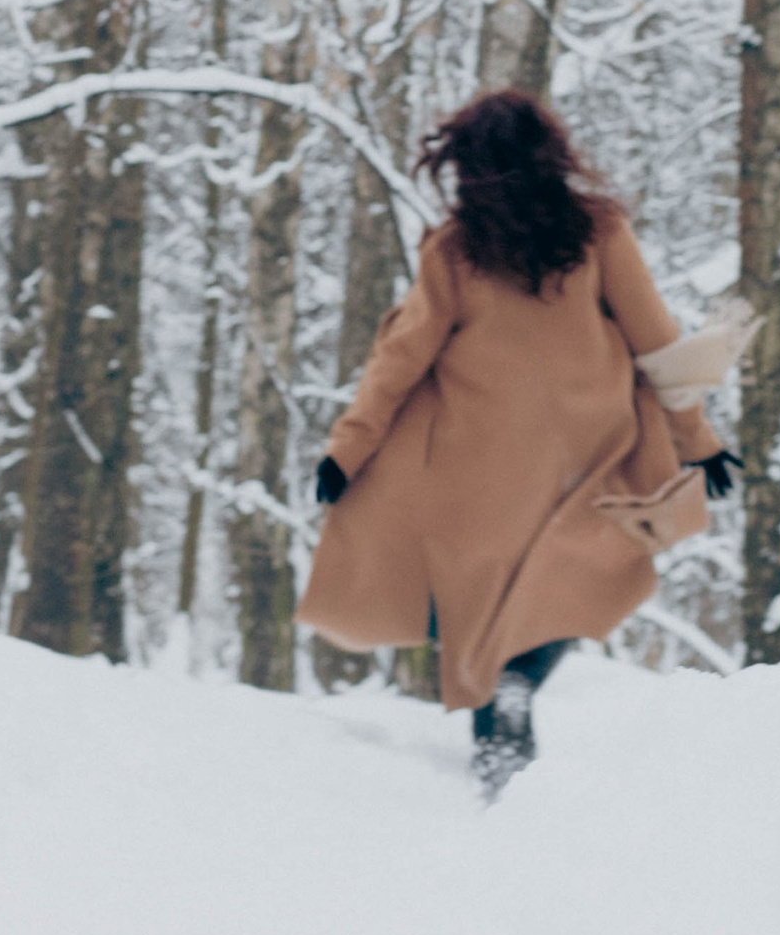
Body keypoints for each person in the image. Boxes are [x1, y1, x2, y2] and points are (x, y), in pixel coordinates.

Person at [298, 90, 737, 795]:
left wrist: (347, 450)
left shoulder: (454, 249)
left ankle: (498, 759)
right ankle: (519, 688)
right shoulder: (599, 229)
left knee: (477, 604)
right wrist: (698, 442)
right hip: (589, 450)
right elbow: (657, 343)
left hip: (480, 458)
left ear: (468, 166)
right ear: (551, 153)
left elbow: (401, 360)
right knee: (570, 582)